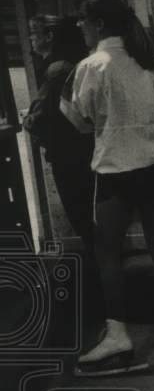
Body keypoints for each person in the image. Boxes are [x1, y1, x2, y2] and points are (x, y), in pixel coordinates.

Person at [62, 0, 154, 375]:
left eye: (83, 23)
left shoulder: (91, 66)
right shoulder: (146, 63)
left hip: (117, 169)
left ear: (98, 24)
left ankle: (118, 337)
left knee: (108, 253)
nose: (81, 30)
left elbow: (78, 120)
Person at [23, 16, 99, 306]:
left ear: (50, 36)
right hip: (84, 151)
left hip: (69, 156)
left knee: (83, 221)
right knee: (90, 222)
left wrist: (30, 121)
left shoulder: (56, 69)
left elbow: (38, 118)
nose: (31, 39)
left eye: (34, 33)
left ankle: (99, 291)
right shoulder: (73, 64)